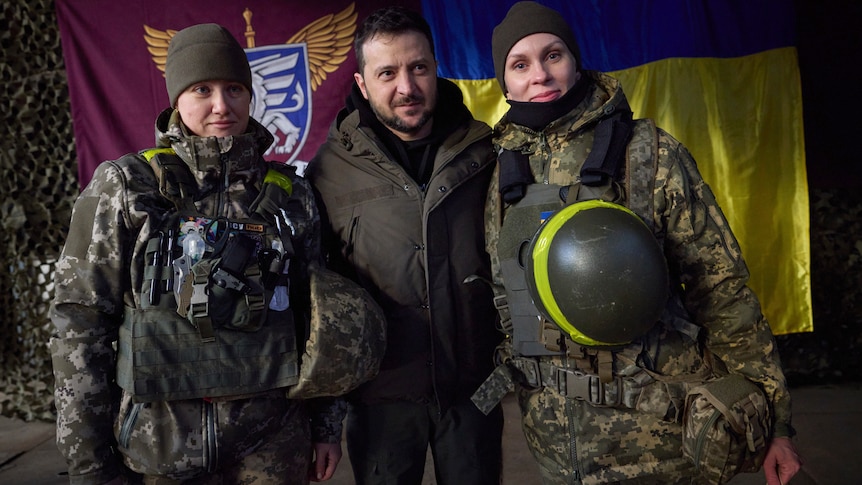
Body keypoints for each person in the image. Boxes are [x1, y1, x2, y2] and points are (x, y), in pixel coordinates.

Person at [472, 2, 804, 484]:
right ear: (505, 84)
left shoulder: (647, 153)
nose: (540, 75)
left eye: (554, 55)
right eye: (520, 65)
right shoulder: (500, 174)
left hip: (658, 442)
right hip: (555, 449)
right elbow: (507, 302)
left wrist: (777, 422)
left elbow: (723, 291)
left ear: (576, 60)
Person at [49, 23, 344, 484]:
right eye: (202, 89)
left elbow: (320, 317)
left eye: (234, 89)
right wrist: (89, 465)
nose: (221, 105)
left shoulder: (290, 193)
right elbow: (79, 324)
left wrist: (327, 426)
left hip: (273, 444)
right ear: (176, 99)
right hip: (160, 447)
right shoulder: (126, 188)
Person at [306, 6, 503, 485]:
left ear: (436, 67)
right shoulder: (328, 172)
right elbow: (316, 303)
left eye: (418, 68)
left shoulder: (487, 153)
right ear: (361, 82)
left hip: (474, 389)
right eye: (387, 73)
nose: (406, 87)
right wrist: (325, 421)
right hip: (380, 400)